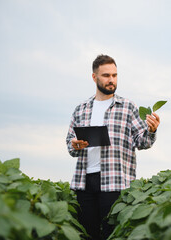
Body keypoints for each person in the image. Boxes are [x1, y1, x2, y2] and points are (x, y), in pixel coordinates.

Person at [66, 54, 160, 240]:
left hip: (115, 181)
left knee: (111, 234)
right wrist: (75, 145)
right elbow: (70, 143)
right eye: (106, 75)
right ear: (95, 77)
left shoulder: (128, 107)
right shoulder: (81, 109)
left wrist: (151, 130)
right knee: (87, 234)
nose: (111, 80)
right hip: (84, 182)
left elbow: (142, 142)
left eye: (114, 75)